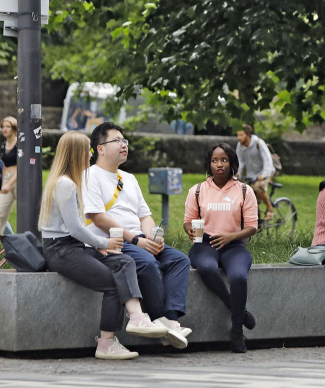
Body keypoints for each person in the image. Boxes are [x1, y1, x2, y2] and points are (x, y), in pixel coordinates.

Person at [40, 131, 168, 360]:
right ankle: (106, 343)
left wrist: (97, 247)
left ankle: (138, 318)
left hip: (75, 245)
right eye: (87, 149)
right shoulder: (65, 185)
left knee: (124, 260)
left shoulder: (71, 182)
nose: (90, 154)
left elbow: (78, 230)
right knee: (112, 283)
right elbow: (76, 228)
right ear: (75, 153)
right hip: (60, 250)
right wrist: (103, 242)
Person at [85, 121, 192, 349]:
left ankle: (171, 319)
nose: (124, 145)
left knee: (179, 260)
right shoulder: (90, 176)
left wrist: (153, 234)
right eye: (117, 141)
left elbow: (145, 215)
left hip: (140, 238)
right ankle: (158, 317)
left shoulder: (129, 178)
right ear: (100, 148)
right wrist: (135, 240)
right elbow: (99, 218)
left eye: (125, 141)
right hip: (116, 240)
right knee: (147, 262)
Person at [183, 143, 259, 353]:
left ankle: (236, 331)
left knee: (238, 277)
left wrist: (230, 237)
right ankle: (240, 313)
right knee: (206, 268)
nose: (219, 164)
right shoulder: (197, 190)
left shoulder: (244, 190)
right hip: (205, 244)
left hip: (234, 245)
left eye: (224, 160)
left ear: (232, 163)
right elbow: (188, 220)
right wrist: (189, 230)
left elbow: (252, 227)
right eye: (215, 160)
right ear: (209, 163)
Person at [236, 124, 276, 223]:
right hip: (251, 174)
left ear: (248, 134)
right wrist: (237, 173)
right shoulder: (239, 146)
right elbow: (240, 161)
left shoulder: (259, 143)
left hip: (266, 171)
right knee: (248, 193)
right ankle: (256, 220)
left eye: (241, 135)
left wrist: (264, 174)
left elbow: (267, 160)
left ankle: (270, 209)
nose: (239, 138)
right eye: (238, 135)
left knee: (258, 187)